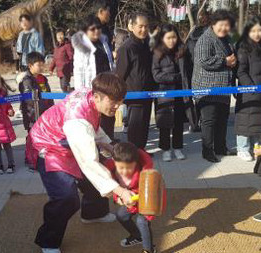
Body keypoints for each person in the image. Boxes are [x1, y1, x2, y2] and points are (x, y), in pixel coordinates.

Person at [26, 73, 133, 253]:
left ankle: (93, 213)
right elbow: (88, 161)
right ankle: (48, 240)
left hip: (68, 141)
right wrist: (119, 190)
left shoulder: (90, 95)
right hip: (49, 146)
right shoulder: (78, 121)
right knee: (66, 197)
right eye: (114, 102)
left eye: (120, 102)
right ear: (98, 96)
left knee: (98, 175)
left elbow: (92, 126)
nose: (117, 107)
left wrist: (106, 143)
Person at [192, 10, 237, 163]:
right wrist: (225, 61)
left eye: (227, 25)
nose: (224, 28)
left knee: (222, 119)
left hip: (223, 88)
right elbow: (204, 60)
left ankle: (220, 147)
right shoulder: (205, 39)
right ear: (213, 24)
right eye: (221, 25)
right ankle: (207, 150)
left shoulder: (227, 39)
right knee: (209, 120)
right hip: (207, 87)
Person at [105, 142, 157, 253]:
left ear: (136, 164)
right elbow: (113, 186)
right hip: (129, 200)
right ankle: (137, 236)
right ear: (114, 162)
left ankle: (149, 250)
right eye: (121, 168)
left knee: (142, 221)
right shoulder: (111, 169)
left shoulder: (146, 173)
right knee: (121, 216)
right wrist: (118, 198)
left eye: (129, 168)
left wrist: (133, 201)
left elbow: (150, 192)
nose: (125, 172)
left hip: (145, 200)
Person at [235, 16, 261, 162]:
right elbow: (241, 71)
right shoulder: (243, 47)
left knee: (260, 121)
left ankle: (257, 146)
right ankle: (242, 148)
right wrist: (251, 87)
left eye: (259, 30)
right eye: (253, 31)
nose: (257, 34)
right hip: (249, 92)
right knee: (246, 121)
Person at [116, 13, 155, 150]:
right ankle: (133, 154)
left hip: (147, 94)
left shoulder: (147, 46)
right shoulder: (126, 48)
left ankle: (141, 152)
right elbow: (120, 75)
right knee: (135, 128)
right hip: (134, 96)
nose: (143, 30)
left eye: (146, 26)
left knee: (145, 126)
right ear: (131, 27)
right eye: (140, 26)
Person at [72, 15, 115, 138]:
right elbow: (78, 71)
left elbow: (110, 63)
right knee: (95, 120)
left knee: (109, 116)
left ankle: (109, 144)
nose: (97, 31)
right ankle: (98, 149)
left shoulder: (104, 41)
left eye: (98, 28)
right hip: (92, 89)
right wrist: (81, 92)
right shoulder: (81, 46)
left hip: (107, 85)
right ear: (85, 31)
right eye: (92, 29)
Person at [152, 24, 189, 162]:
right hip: (164, 93)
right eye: (168, 38)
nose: (172, 40)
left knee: (179, 122)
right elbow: (156, 75)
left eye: (174, 37)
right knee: (165, 122)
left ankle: (178, 147)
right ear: (162, 38)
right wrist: (174, 77)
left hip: (180, 91)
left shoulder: (182, 50)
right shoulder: (157, 53)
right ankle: (166, 149)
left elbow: (187, 70)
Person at [184, 10, 211, 133]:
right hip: (205, 70)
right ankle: (200, 121)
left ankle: (193, 122)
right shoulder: (210, 34)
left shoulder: (191, 34)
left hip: (192, 69)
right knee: (205, 97)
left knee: (196, 97)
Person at [18, 52, 54, 132]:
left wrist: (51, 109)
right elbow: (29, 100)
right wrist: (41, 111)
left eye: (42, 65)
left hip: (46, 113)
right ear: (30, 66)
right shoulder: (26, 81)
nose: (41, 67)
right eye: (39, 65)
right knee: (34, 137)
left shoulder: (43, 78)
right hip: (33, 117)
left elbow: (49, 95)